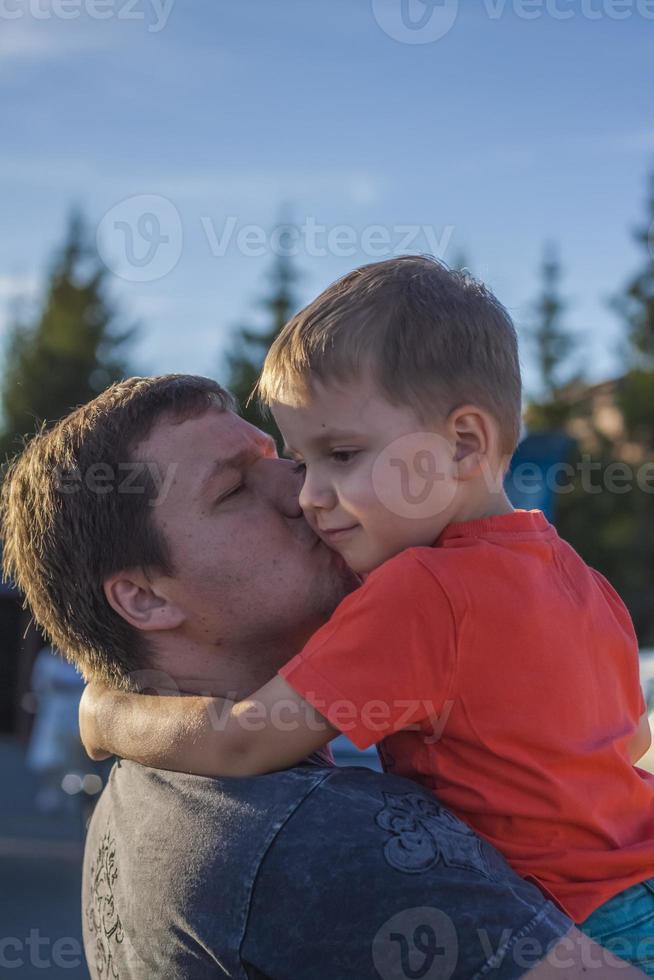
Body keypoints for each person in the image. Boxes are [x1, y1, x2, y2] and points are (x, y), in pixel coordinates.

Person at [80, 259, 654, 972]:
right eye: (303, 460)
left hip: (584, 921)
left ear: (464, 443)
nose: (310, 495)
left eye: (342, 455)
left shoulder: (423, 588)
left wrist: (108, 716)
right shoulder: (577, 575)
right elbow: (629, 743)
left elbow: (242, 742)